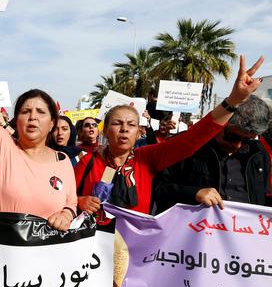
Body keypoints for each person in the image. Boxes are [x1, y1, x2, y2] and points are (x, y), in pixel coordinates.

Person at [75, 54, 265, 215]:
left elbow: (192, 139)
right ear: (105, 130)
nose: (124, 128)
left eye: (132, 124)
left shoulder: (148, 158)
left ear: (138, 131)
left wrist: (233, 101)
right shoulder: (88, 162)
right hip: (94, 246)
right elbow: (62, 200)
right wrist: (80, 201)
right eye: (117, 123)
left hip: (136, 248)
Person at [0, 17, 77, 231]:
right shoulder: (0, 146)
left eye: (40, 112)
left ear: (52, 123)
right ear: (15, 119)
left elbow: (71, 203)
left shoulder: (62, 160)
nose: (33, 117)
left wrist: (66, 214)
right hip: (4, 256)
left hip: (49, 258)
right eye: (26, 112)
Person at [153, 95, 272, 213]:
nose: (238, 145)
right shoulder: (186, 144)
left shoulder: (258, 153)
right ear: (221, 124)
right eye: (231, 137)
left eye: (247, 140)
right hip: (193, 228)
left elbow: (263, 197)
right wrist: (194, 193)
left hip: (243, 230)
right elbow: (157, 188)